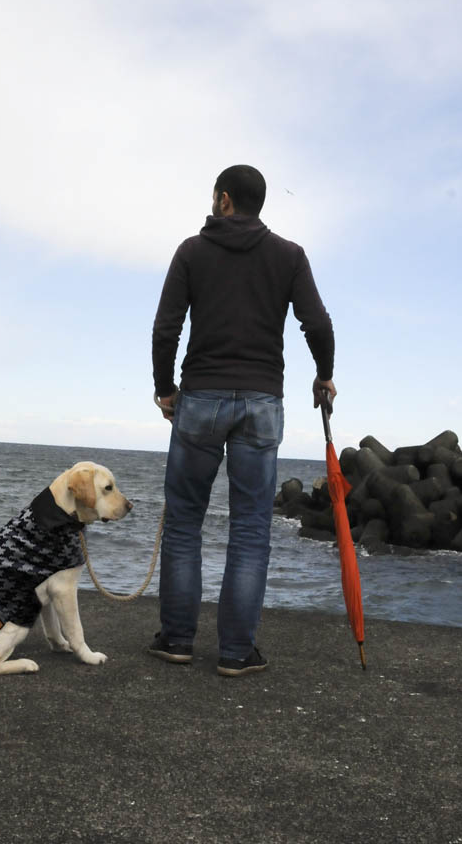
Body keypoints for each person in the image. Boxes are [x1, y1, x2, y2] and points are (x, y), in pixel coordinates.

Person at [149, 164, 336, 677]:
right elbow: (316, 322)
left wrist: (165, 388)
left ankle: (178, 640)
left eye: (215, 197)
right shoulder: (289, 255)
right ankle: (235, 652)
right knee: (251, 530)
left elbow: (166, 328)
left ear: (225, 199)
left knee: (184, 523)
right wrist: (324, 376)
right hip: (260, 401)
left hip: (201, 397)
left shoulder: (191, 250)